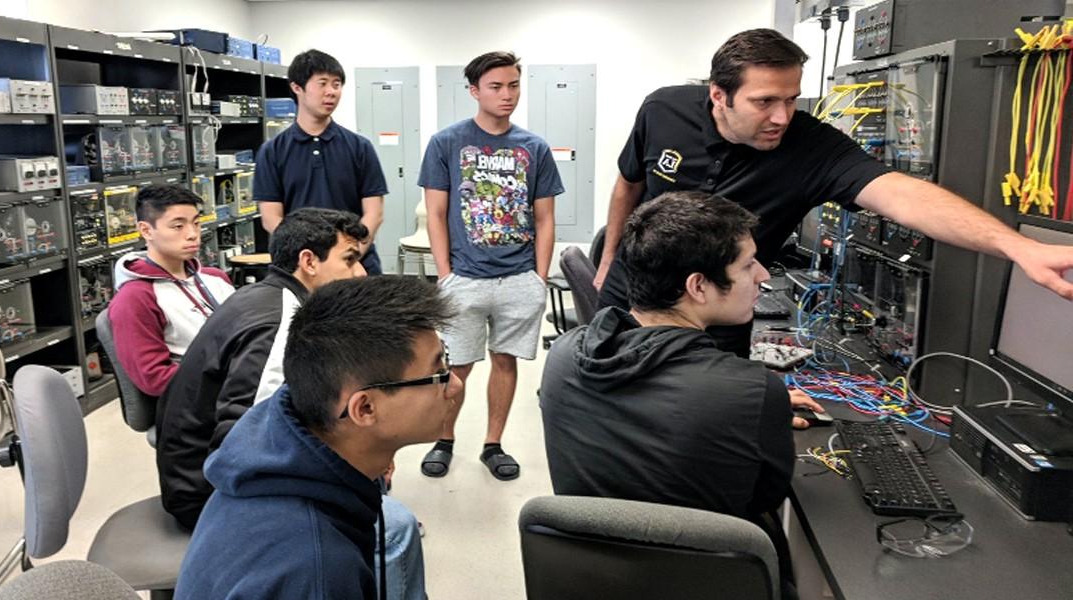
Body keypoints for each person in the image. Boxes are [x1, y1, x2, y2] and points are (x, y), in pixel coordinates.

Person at [594, 28, 1073, 357]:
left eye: (790, 99)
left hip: (719, 323)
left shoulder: (811, 146)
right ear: (719, 95)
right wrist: (609, 258)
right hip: (632, 298)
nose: (782, 117)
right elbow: (628, 183)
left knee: (705, 429)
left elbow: (904, 195)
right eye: (764, 102)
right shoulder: (662, 109)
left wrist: (1016, 245)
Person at [541, 191, 823, 598]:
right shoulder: (751, 390)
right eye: (748, 264)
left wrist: (747, 407)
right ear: (698, 286)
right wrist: (759, 408)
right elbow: (764, 497)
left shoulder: (564, 355)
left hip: (598, 580)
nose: (762, 275)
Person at [175, 277, 461, 600]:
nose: (455, 386)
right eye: (439, 373)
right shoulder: (318, 570)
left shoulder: (281, 434)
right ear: (364, 408)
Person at [155, 207, 368, 529]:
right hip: (211, 497)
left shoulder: (265, 295)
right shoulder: (282, 321)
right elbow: (245, 440)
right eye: (349, 260)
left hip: (200, 476)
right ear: (309, 261)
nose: (360, 273)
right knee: (388, 526)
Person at [416, 51, 563, 481]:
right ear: (474, 91)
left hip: (518, 277)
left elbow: (544, 218)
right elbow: (437, 214)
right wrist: (445, 275)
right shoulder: (447, 143)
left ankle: (493, 444)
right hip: (465, 278)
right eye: (496, 86)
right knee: (456, 367)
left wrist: (538, 277)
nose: (507, 95)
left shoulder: (533, 147)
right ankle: (445, 439)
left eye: (513, 85)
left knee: (505, 361)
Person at [254, 49, 389, 274]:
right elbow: (271, 218)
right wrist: (309, 261)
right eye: (322, 83)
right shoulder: (272, 151)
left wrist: (350, 257)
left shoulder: (360, 147)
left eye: (336, 85)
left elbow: (374, 213)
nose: (331, 92)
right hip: (301, 270)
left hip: (357, 266)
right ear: (297, 87)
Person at [108, 184, 234, 398]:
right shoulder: (136, 298)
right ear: (146, 230)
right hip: (199, 407)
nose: (193, 234)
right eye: (178, 226)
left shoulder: (215, 278)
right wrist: (234, 378)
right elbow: (155, 379)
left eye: (196, 224)